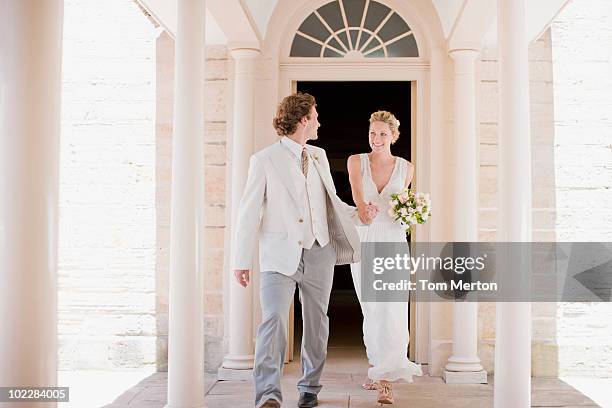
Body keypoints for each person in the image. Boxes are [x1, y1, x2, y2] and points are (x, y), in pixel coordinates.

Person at [231, 92, 377, 408]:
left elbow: (330, 202)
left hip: (319, 250)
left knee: (317, 322)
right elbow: (248, 212)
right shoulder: (264, 160)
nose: (320, 121)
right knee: (273, 321)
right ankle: (268, 394)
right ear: (303, 120)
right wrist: (241, 260)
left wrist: (360, 213)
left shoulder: (319, 156)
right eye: (316, 116)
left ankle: (309, 387)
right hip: (278, 254)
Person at [347, 110, 423, 405]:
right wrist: (365, 210)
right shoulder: (357, 161)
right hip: (365, 238)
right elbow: (357, 195)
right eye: (372, 133)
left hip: (392, 241)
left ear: (393, 136)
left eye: (382, 134)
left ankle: (385, 382)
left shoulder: (407, 168)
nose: (376, 139)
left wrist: (410, 213)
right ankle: (377, 365)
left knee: (392, 307)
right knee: (372, 308)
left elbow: (401, 204)